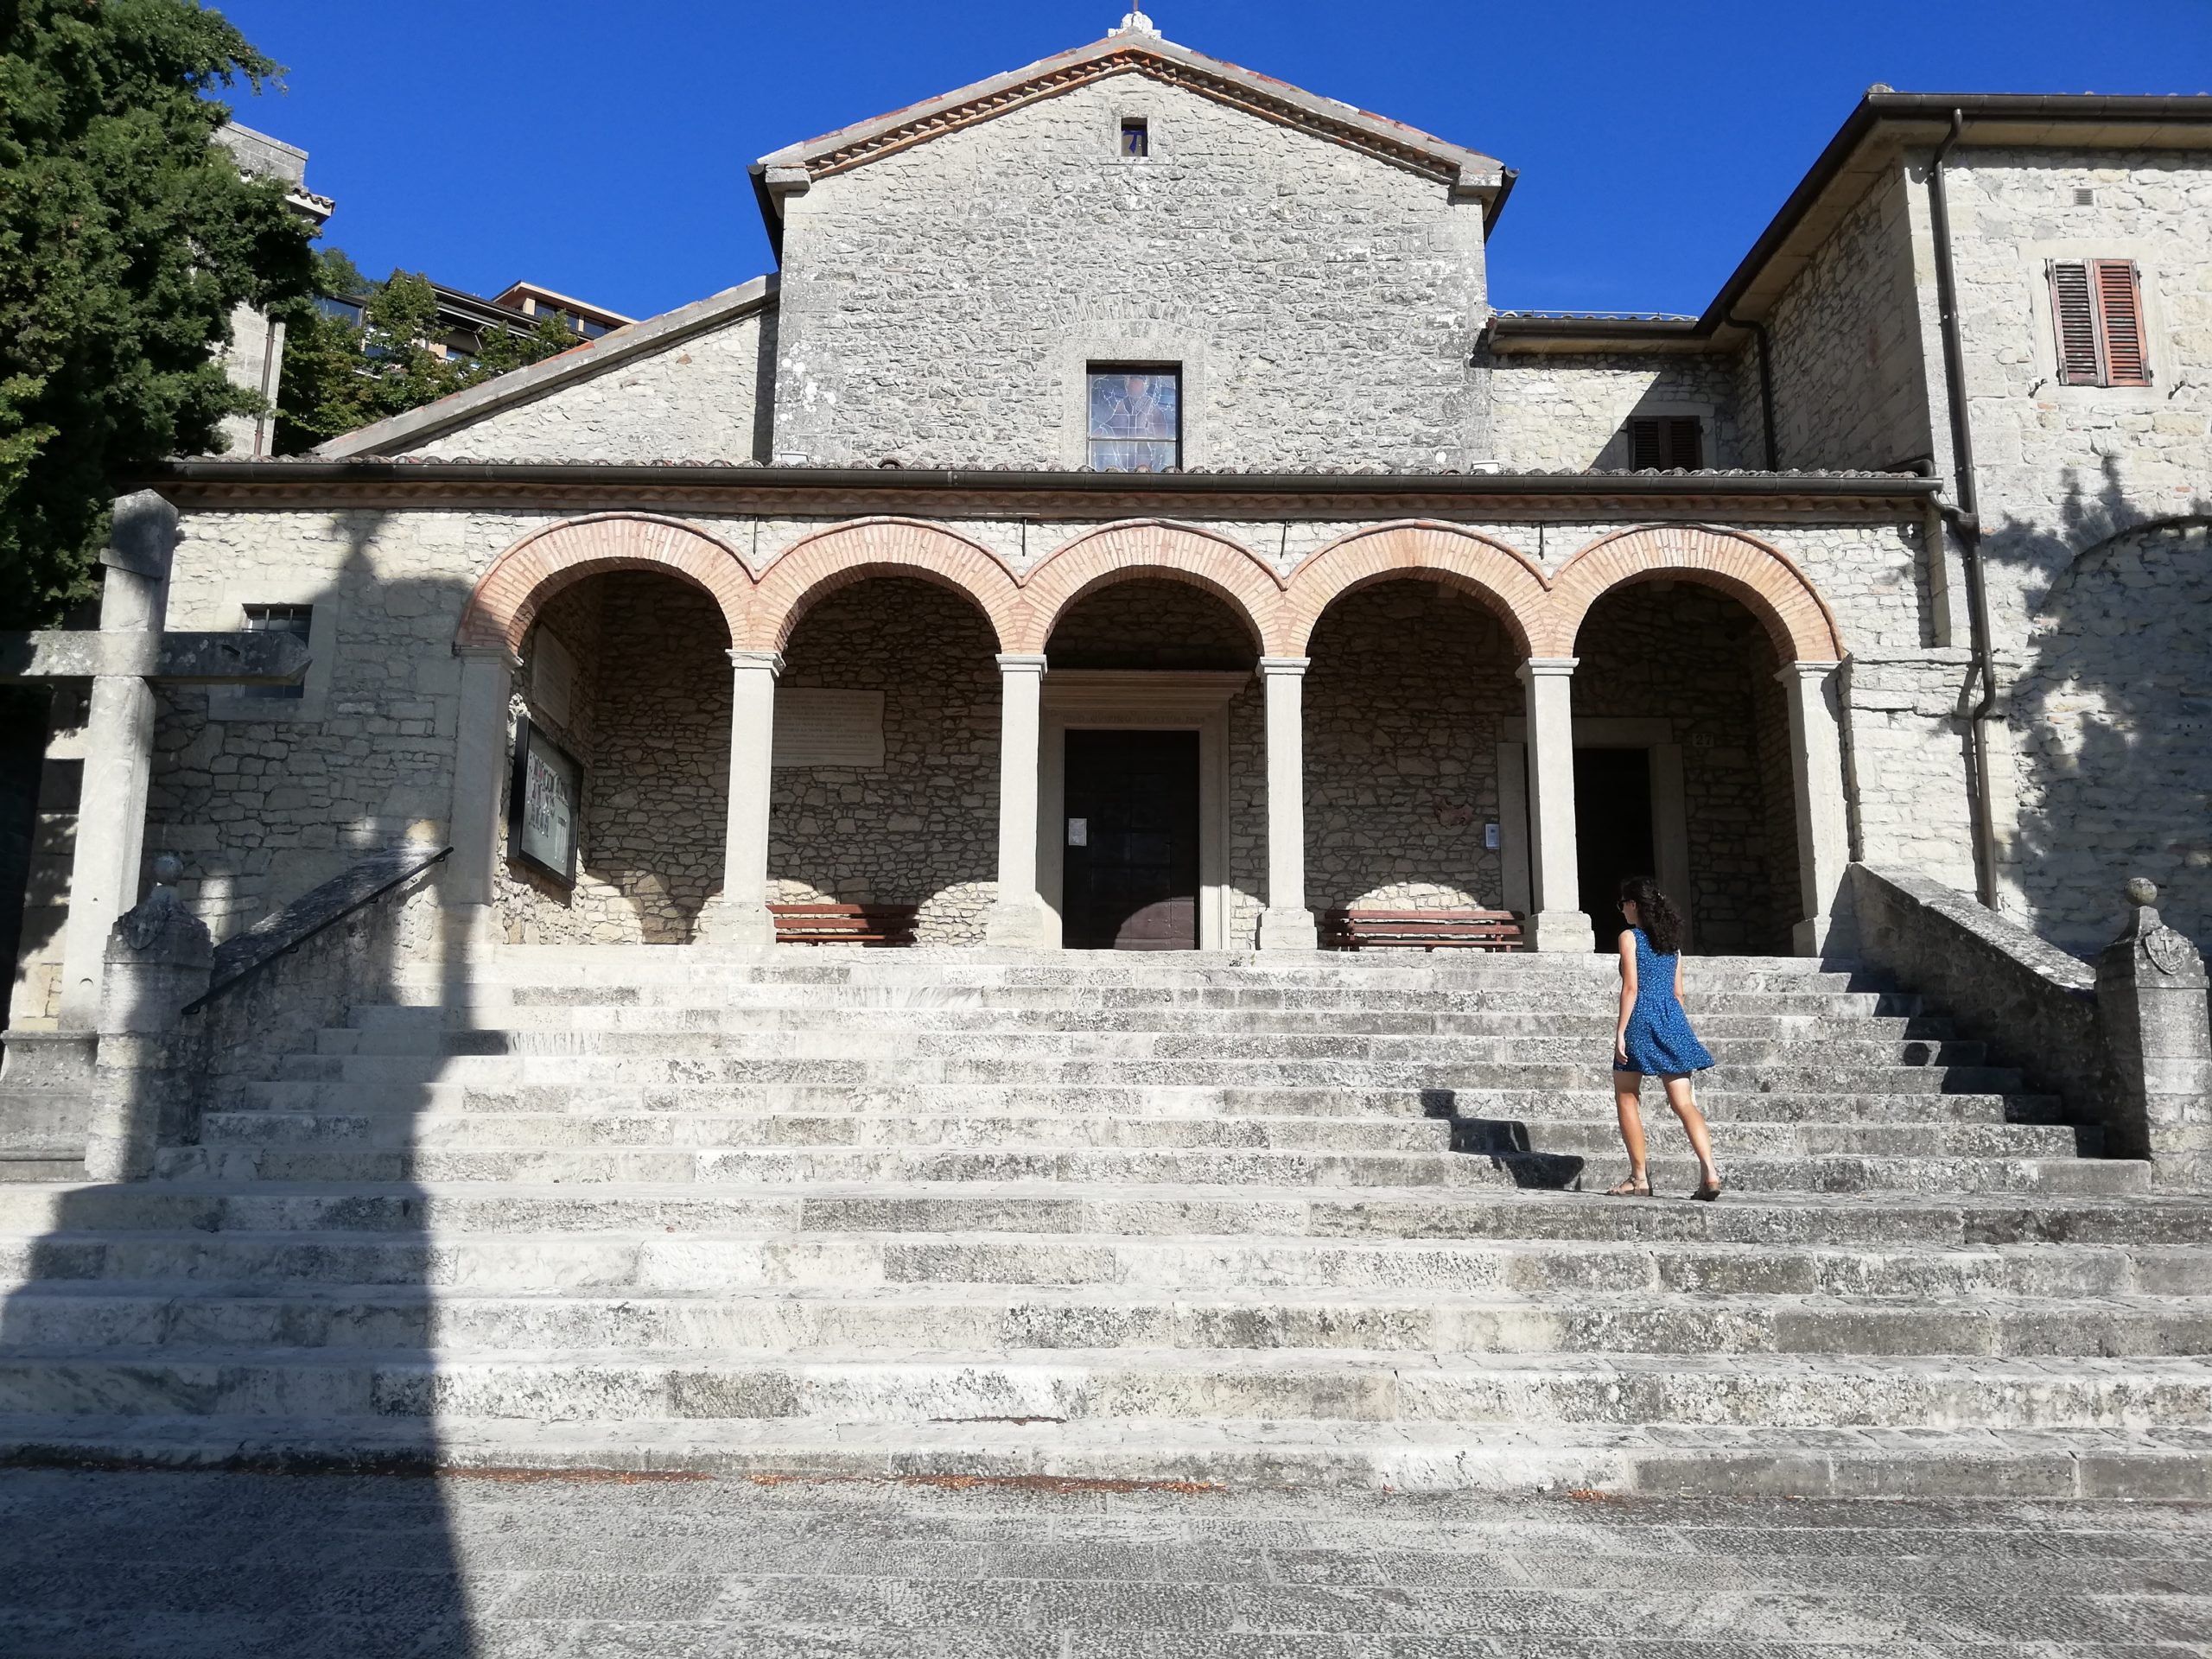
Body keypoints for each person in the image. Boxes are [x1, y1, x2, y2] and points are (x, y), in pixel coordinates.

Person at [1603, 875, 1723, 1200]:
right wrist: (1676, 1028)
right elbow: (1678, 994)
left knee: (1627, 1095)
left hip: (1640, 1019)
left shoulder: (1629, 937)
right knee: (1684, 1103)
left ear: (1633, 905)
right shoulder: (1673, 947)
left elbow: (1631, 987)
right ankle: (1710, 1173)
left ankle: (1639, 1178)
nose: (1622, 910)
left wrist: (1620, 1032)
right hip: (1672, 1020)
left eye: (1623, 904)